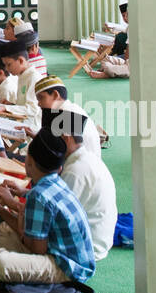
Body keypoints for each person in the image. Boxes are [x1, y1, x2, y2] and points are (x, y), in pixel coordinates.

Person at [0, 128, 95, 285]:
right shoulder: (56, 181)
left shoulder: (38, 196)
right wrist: (14, 200)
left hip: (67, 268)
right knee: (4, 230)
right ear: (59, 167)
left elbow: (36, 250)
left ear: (29, 162)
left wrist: (1, 208)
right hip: (69, 256)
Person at [48, 108, 117, 260]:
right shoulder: (86, 159)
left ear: (66, 138)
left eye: (52, 140)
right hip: (97, 238)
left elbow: (56, 217)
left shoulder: (76, 171)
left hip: (87, 248)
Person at [26, 76, 103, 157]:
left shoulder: (68, 115)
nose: (39, 104)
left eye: (41, 98)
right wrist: (35, 135)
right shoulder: (70, 109)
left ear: (55, 95)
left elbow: (57, 155)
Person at [0, 40, 41, 126]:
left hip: (32, 127)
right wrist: (12, 105)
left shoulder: (34, 78)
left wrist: (4, 108)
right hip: (22, 122)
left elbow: (33, 109)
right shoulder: (21, 75)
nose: (6, 69)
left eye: (9, 64)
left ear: (21, 61)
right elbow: (24, 104)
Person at [87, 4, 129, 78]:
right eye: (123, 16)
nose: (125, 18)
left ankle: (107, 74)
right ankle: (112, 71)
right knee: (106, 59)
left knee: (113, 68)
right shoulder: (129, 28)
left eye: (127, 15)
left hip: (135, 64)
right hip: (127, 61)